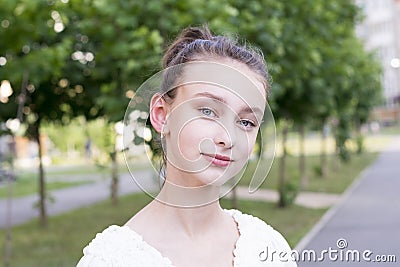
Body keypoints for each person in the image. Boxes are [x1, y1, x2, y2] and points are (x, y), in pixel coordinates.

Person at [77, 26, 297, 267]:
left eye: (246, 122)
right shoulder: (112, 260)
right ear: (162, 115)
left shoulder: (267, 247)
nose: (229, 138)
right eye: (208, 111)